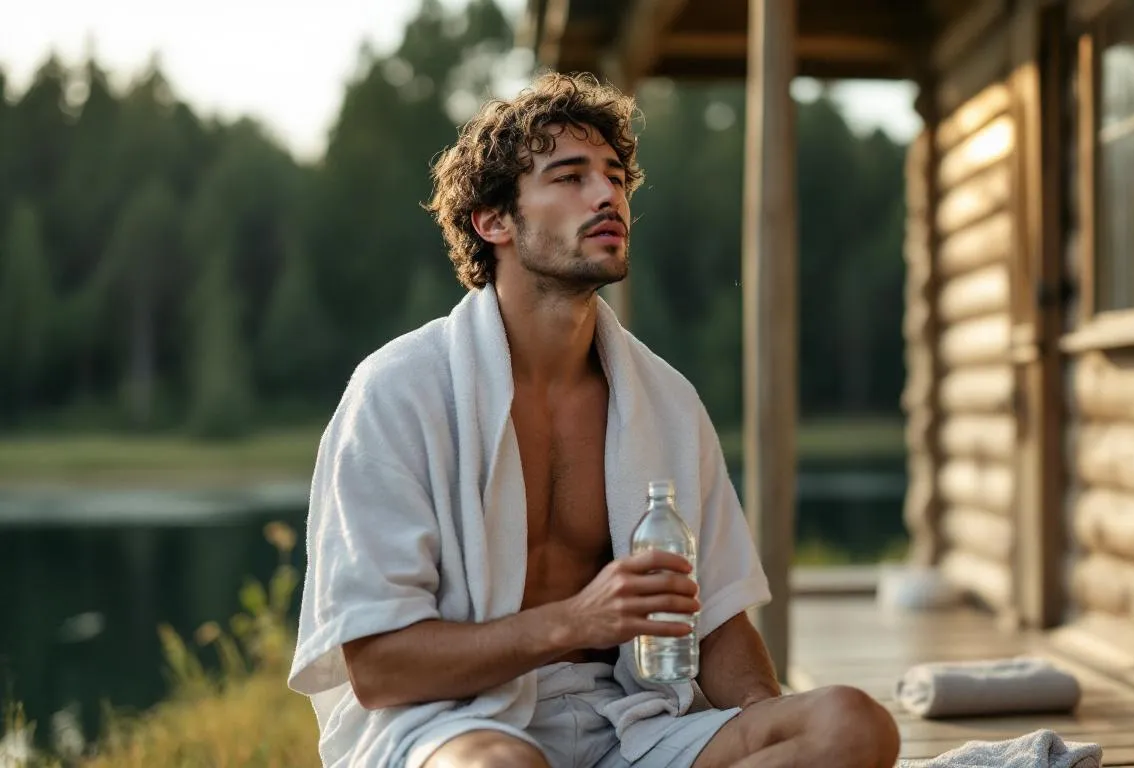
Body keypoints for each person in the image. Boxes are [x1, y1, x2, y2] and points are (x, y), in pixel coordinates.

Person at [287, 72, 901, 768]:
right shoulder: (399, 393)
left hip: (632, 726)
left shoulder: (665, 401)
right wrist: (574, 621)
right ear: (494, 222)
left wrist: (760, 733)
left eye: (614, 177)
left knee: (848, 726)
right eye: (570, 177)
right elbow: (379, 667)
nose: (607, 195)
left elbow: (719, 619)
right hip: (456, 723)